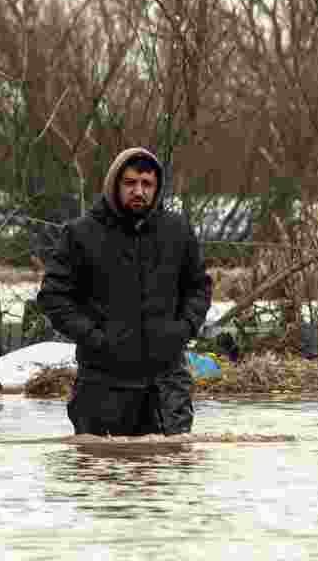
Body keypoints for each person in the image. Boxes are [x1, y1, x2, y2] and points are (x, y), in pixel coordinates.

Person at [36, 147, 213, 436]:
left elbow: (199, 287)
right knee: (101, 470)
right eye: (130, 183)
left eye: (147, 184)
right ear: (114, 185)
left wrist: (182, 329)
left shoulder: (177, 231)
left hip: (166, 385)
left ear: (157, 188)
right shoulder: (81, 234)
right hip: (103, 383)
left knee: (168, 471)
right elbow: (54, 297)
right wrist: (96, 338)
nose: (139, 191)